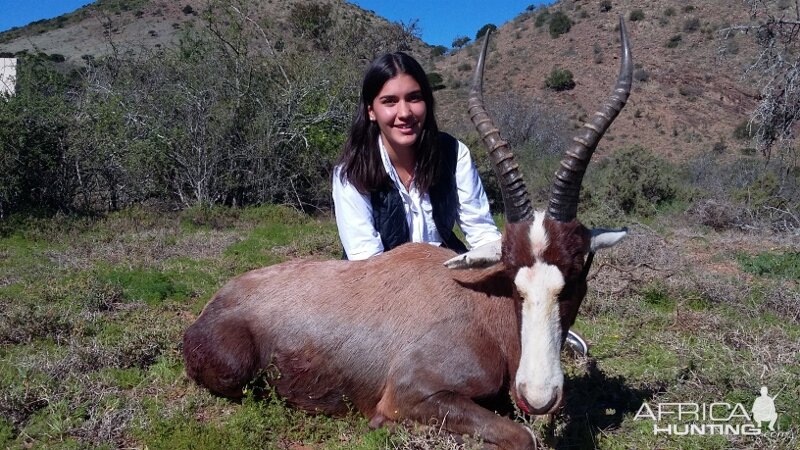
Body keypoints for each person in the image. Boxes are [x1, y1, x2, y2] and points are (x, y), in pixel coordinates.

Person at [332, 51, 501, 260]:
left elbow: (482, 233)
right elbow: (366, 260)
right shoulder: (351, 171)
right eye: (389, 101)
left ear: (427, 103)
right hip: (378, 283)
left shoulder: (455, 153)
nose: (404, 113)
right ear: (371, 111)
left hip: (443, 273)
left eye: (414, 98)